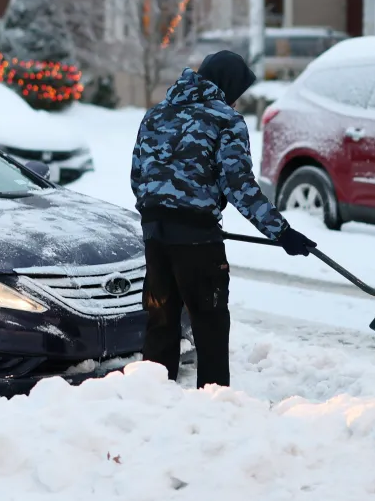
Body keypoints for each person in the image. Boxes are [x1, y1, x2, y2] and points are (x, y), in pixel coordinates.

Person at [130, 50, 315, 389]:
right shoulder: (224, 119)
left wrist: (163, 216)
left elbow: (139, 177)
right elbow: (239, 186)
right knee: (210, 327)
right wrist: (282, 232)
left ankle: (151, 401)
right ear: (229, 85)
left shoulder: (156, 114)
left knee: (160, 325)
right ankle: (214, 408)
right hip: (198, 244)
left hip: (155, 238)